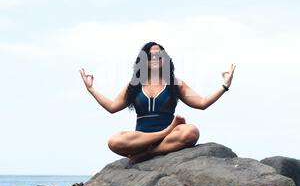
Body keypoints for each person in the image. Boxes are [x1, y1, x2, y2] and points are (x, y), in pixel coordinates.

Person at [79, 41, 236, 164]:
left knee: (191, 131)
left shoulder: (175, 83)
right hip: (141, 139)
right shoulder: (134, 85)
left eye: (158, 55)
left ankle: (148, 154)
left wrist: (225, 86)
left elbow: (202, 103)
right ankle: (162, 134)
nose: (154, 58)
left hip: (170, 139)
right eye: (150, 55)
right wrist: (91, 90)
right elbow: (112, 107)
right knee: (114, 141)